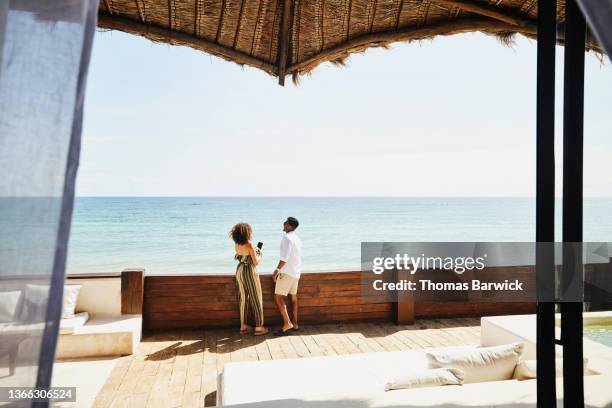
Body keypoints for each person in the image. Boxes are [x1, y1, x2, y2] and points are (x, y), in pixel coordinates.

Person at [230, 222, 268, 336]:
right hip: (249, 271)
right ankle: (259, 328)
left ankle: (243, 326)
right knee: (256, 297)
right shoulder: (250, 244)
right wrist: (259, 253)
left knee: (243, 298)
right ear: (247, 232)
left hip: (239, 270)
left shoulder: (236, 244)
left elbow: (242, 256)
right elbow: (256, 262)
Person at [272, 217, 302, 336]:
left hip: (287, 273)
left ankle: (287, 323)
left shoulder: (287, 238)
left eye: (285, 222)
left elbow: (285, 257)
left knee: (278, 297)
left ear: (289, 226)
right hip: (296, 273)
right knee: (293, 298)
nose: (283, 223)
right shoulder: (297, 238)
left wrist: (276, 270)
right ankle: (295, 324)